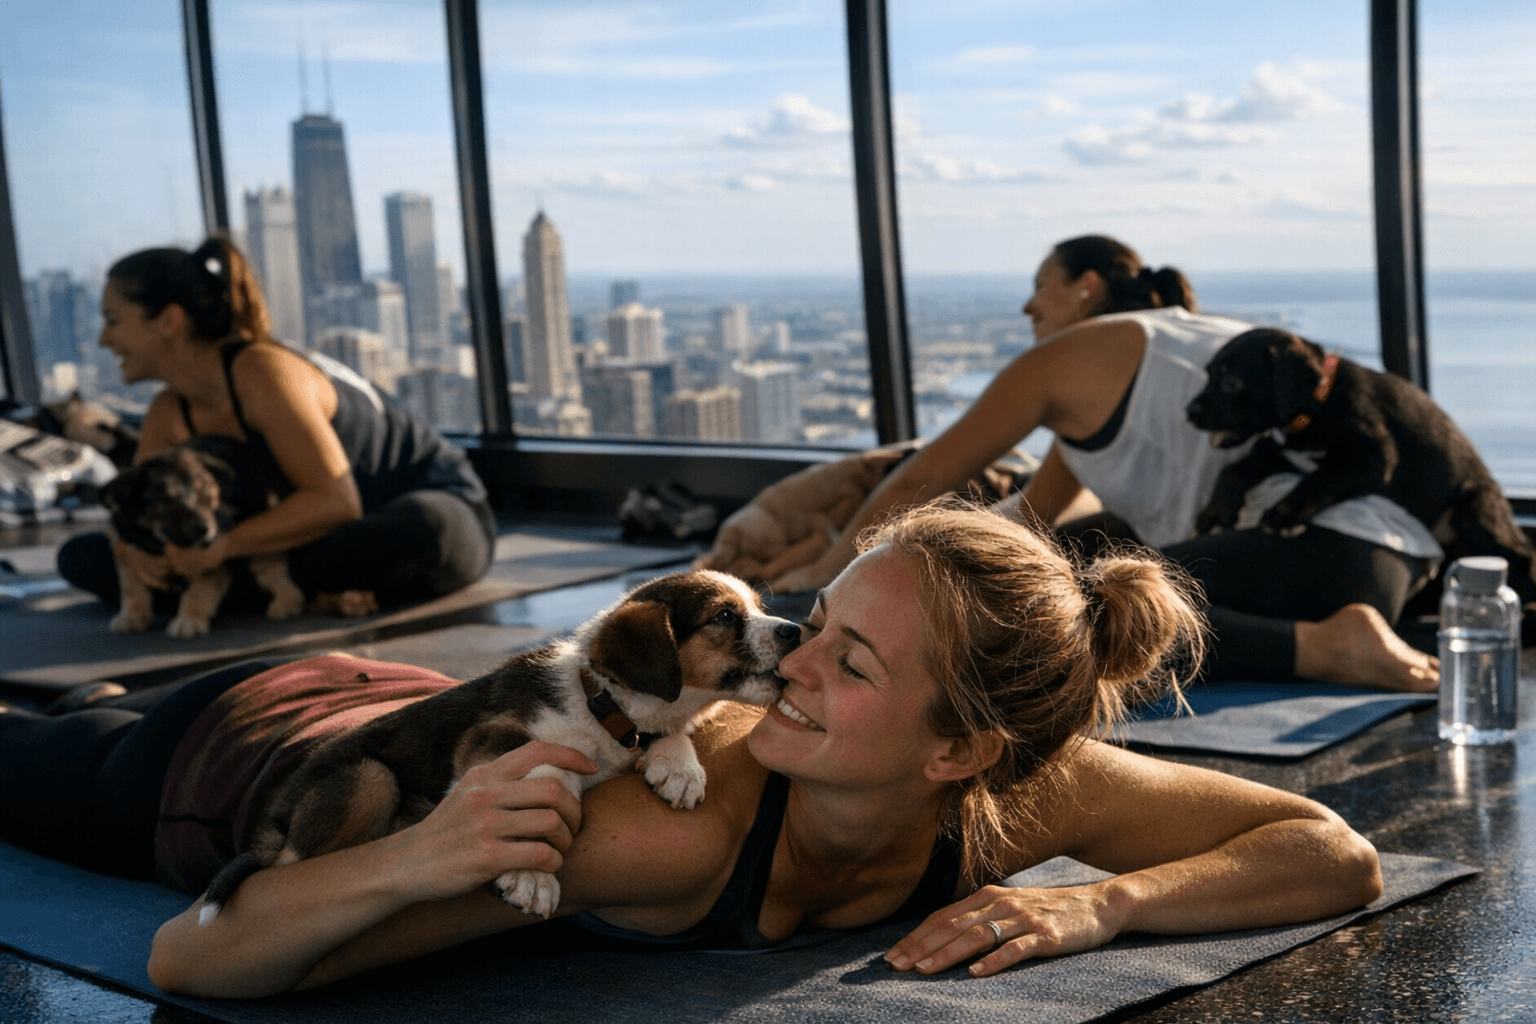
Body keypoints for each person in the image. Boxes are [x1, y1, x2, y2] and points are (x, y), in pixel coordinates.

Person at [0, 503, 1383, 997]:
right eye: (811, 622)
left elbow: (1332, 852)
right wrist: (419, 856)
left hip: (425, 696)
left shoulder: (1032, 795)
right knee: (52, 751)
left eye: (848, 660)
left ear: (961, 751)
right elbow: (198, 956)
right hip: (241, 760)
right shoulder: (657, 828)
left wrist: (1103, 899)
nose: (786, 661)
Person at [751, 235, 1440, 691]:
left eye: (1040, 285)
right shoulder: (1160, 345)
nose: (1028, 304)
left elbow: (922, 478)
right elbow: (1028, 521)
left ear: (1084, 288)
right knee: (1066, 557)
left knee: (1050, 625)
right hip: (1388, 561)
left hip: (1326, 551)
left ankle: (1328, 648)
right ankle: (1324, 635)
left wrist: (834, 574)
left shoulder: (1066, 358)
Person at [56, 236, 495, 613]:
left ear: (170, 320)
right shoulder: (170, 413)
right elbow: (135, 515)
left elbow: (337, 505)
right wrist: (140, 555)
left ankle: (262, 588)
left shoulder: (263, 372)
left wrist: (220, 551)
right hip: (297, 546)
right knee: (83, 557)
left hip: (417, 512)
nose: (103, 339)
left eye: (114, 321)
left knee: (429, 528)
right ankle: (305, 591)